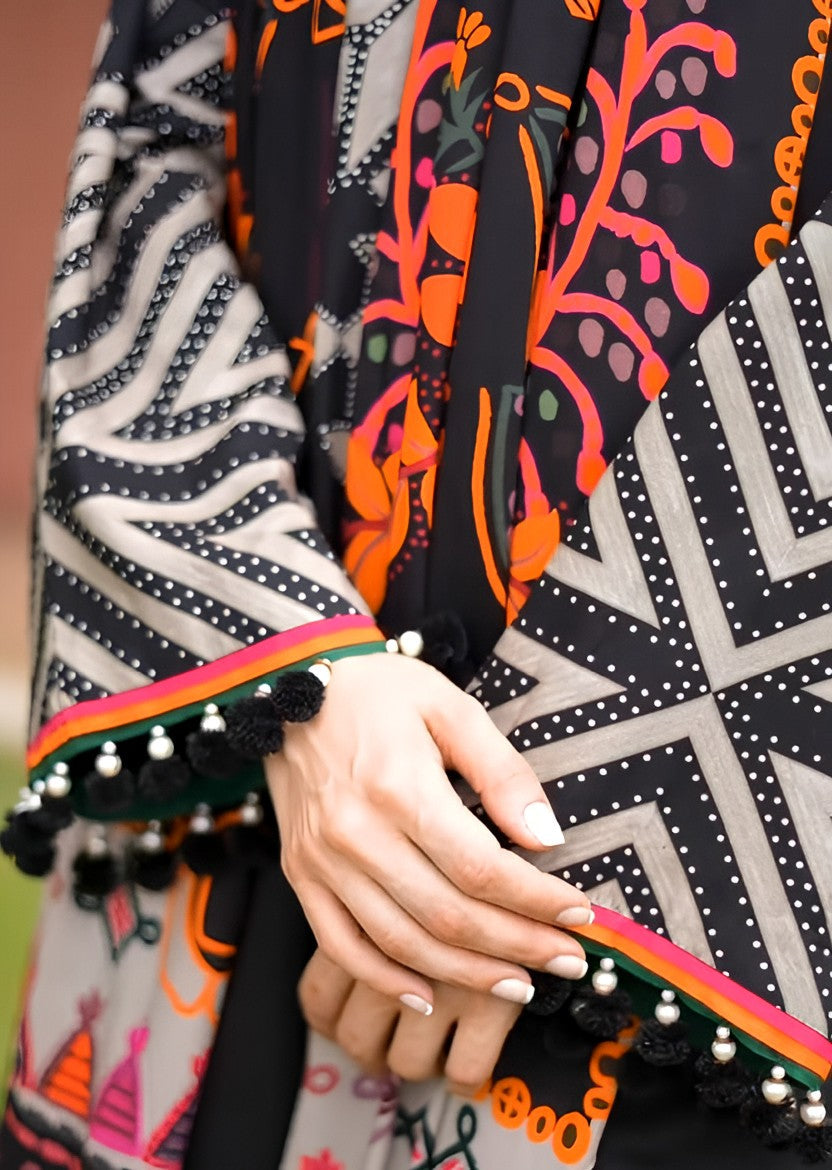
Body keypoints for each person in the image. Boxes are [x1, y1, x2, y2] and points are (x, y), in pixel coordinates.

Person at [2, 0, 831, 1167]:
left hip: (681, 976)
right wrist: (296, 675)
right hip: (245, 795)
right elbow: (153, 140)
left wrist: (512, 879)